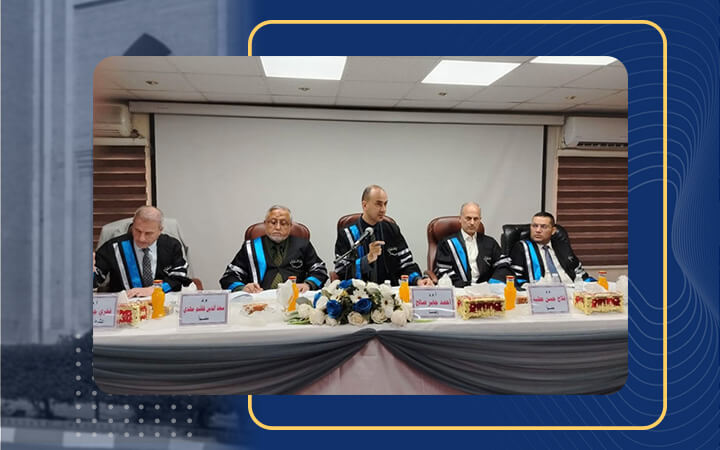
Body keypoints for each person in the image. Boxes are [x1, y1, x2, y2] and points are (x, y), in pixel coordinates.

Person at [334, 185, 433, 286]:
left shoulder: (391, 230)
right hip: (359, 293)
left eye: (385, 204)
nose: (383, 209)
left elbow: (406, 264)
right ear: (365, 205)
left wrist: (418, 280)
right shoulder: (347, 234)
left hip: (390, 291)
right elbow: (341, 271)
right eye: (378, 204)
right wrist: (367, 259)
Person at [219, 205, 328, 293]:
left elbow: (319, 269)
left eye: (283, 223)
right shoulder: (250, 247)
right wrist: (242, 288)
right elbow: (229, 275)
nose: (278, 227)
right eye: (273, 222)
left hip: (294, 299)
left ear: (290, 226)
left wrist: (307, 284)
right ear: (265, 224)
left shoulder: (303, 245)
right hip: (259, 301)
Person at [93, 206, 190, 296]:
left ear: (160, 230)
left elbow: (179, 278)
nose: (141, 238)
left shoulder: (171, 246)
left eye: (148, 233)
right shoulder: (114, 247)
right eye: (137, 231)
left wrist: (155, 289)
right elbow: (94, 281)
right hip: (125, 304)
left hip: (161, 303)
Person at [433, 202, 511, 287]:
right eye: (468, 218)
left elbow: (503, 265)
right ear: (460, 219)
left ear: (480, 220)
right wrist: (464, 286)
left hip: (486, 290)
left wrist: (493, 283)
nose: (472, 222)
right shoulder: (447, 243)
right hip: (459, 289)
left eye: (476, 219)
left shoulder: (490, 243)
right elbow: (443, 270)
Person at [509, 211, 593, 285]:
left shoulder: (562, 246)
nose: (538, 230)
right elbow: (516, 278)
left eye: (543, 227)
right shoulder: (522, 247)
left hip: (570, 289)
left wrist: (594, 285)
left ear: (553, 230)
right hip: (540, 291)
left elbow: (580, 274)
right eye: (534, 226)